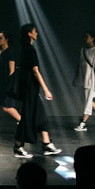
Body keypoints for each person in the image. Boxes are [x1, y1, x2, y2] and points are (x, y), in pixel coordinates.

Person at [13, 23, 61, 159]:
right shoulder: (30, 50)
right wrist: (46, 89)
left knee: (40, 116)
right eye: (35, 31)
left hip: (29, 88)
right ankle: (18, 147)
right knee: (27, 118)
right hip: (30, 89)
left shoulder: (26, 49)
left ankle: (47, 144)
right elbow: (35, 71)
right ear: (29, 34)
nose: (37, 33)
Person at [73, 30, 95, 131]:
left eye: (87, 36)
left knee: (88, 101)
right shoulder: (83, 50)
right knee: (87, 100)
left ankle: (83, 123)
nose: (85, 39)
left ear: (92, 38)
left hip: (91, 79)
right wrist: (76, 77)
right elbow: (79, 64)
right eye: (84, 37)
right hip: (83, 78)